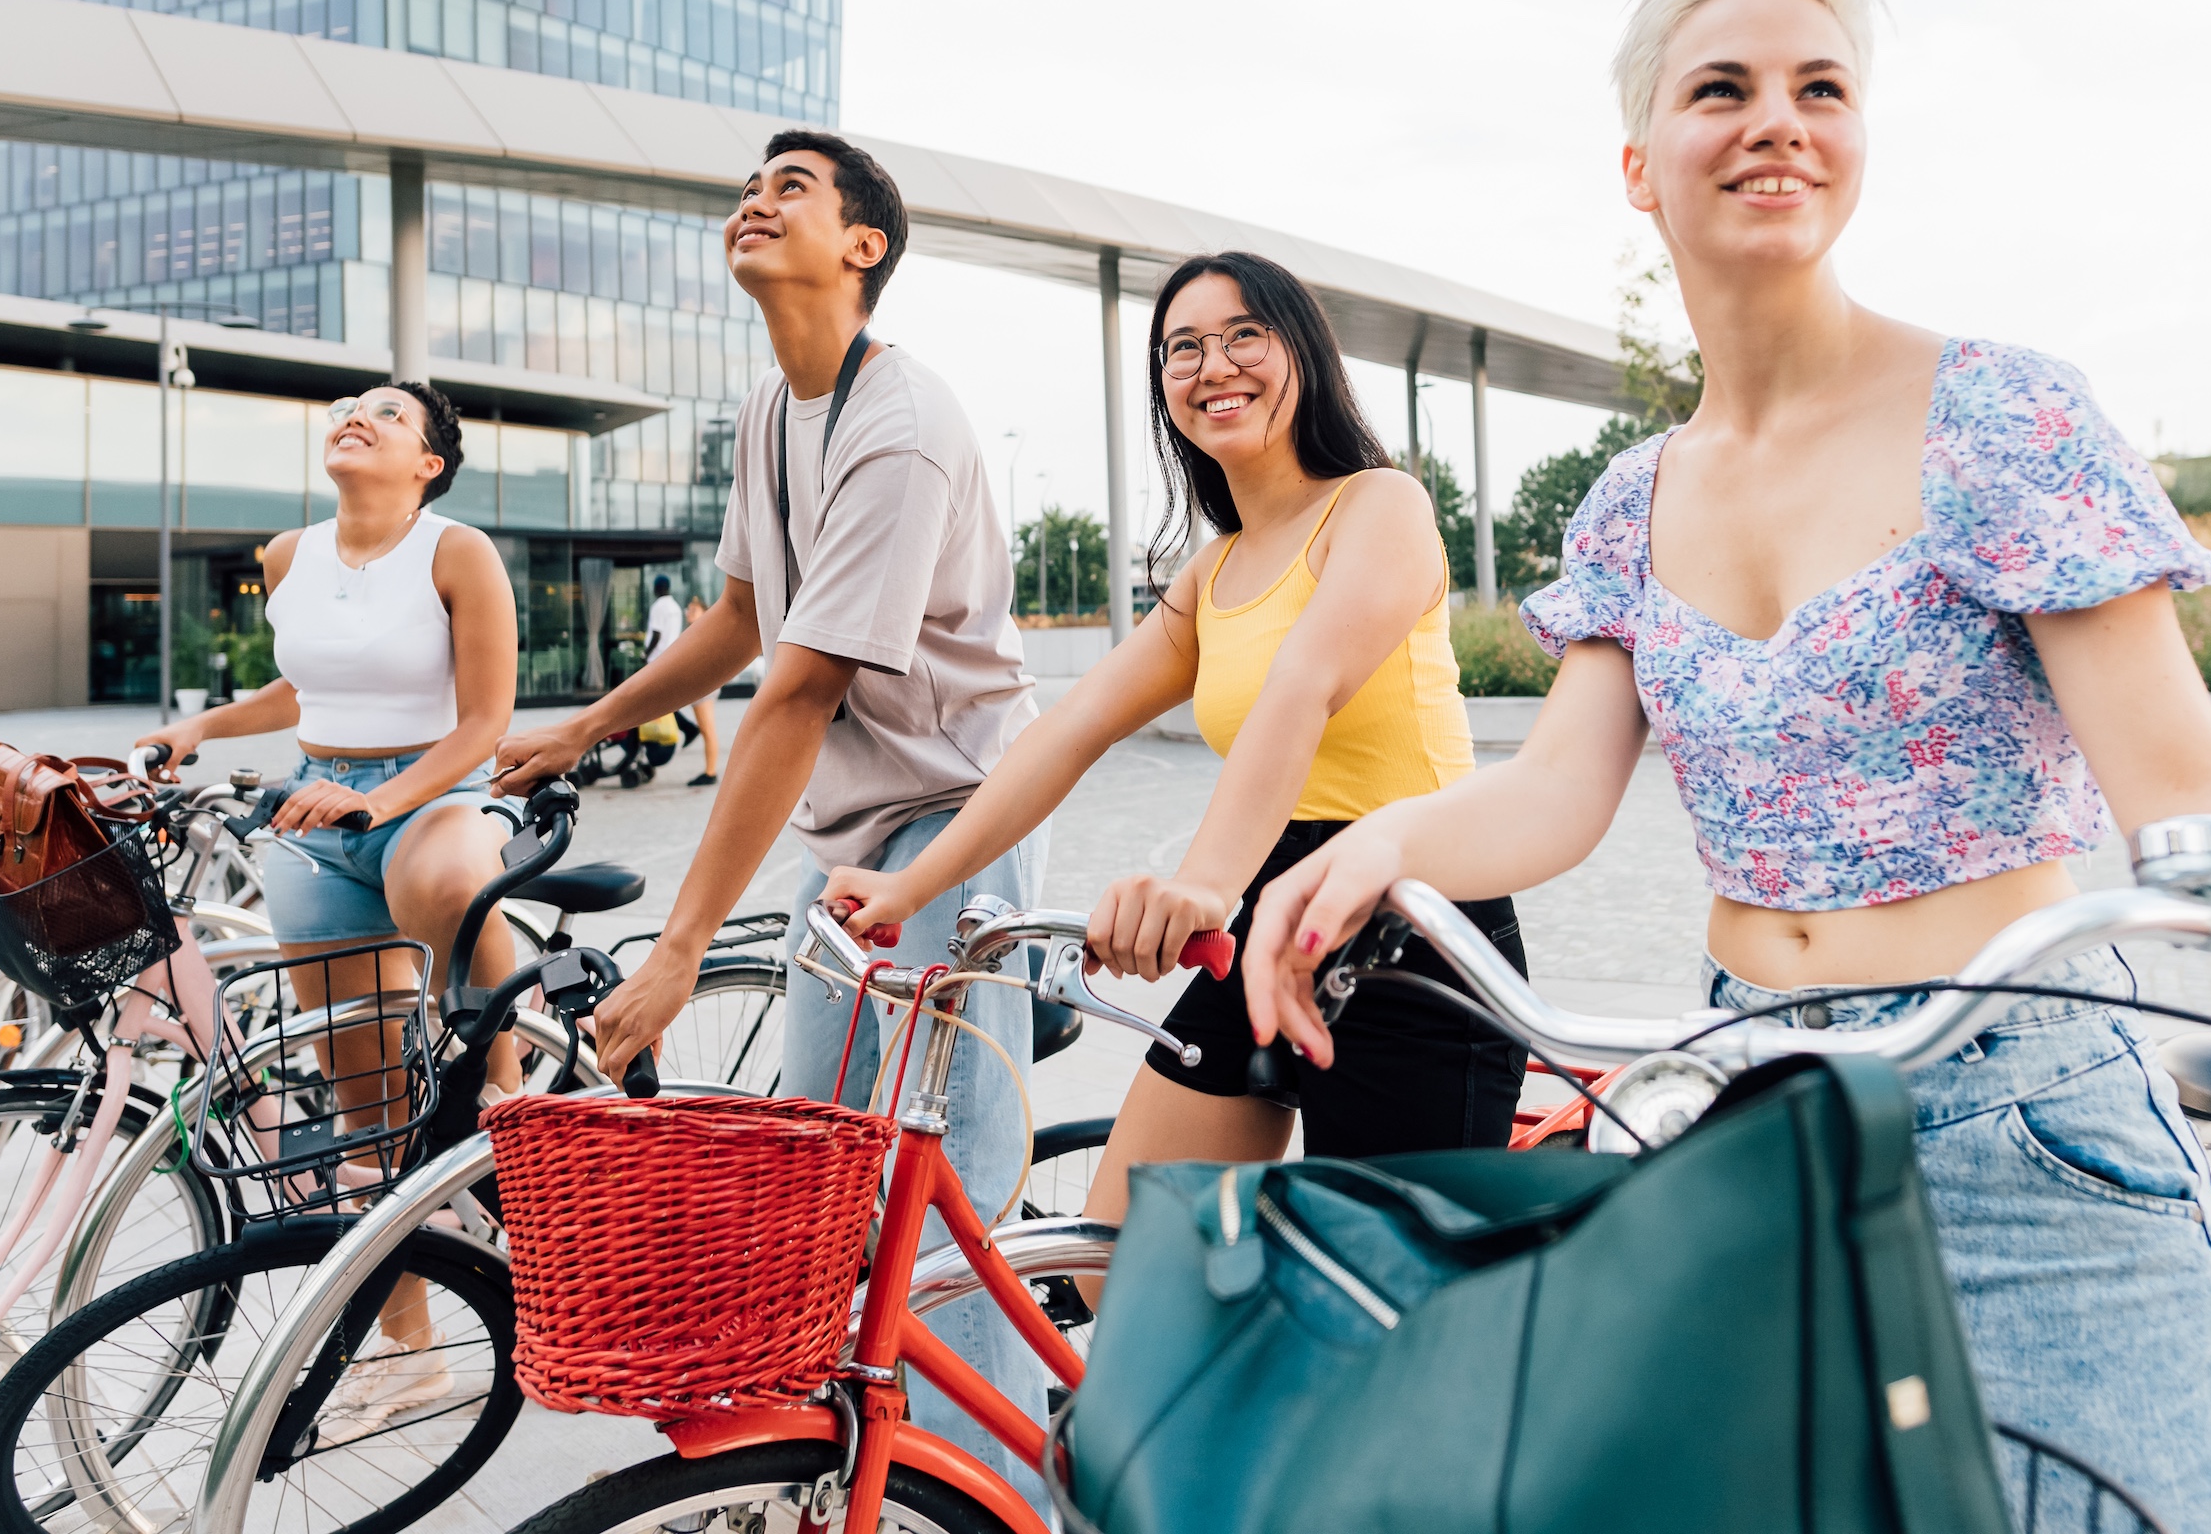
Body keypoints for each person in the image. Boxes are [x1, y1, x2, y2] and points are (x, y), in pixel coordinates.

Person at [1242, 0, 2211, 1534]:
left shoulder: (2001, 415)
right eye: (1722, 88)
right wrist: (1376, 844)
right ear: (1642, 166)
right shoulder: (1633, 500)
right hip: (1757, 1120)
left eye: (1821, 88)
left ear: (1858, 143)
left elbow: (2187, 789)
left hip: (2029, 1132)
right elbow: (1555, 797)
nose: (1777, 119)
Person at [489, 130, 1047, 1492]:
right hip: (859, 831)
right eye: (748, 181)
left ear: (864, 245)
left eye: (791, 186)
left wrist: (678, 950)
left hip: (958, 820)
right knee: (819, 1160)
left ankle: (994, 1497)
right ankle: (853, 1470)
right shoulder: (770, 404)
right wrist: (588, 723)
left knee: (940, 1194)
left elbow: (793, 698)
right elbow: (744, 615)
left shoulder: (899, 429)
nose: (753, 197)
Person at [822, 251, 1527, 1265]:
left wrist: (1200, 881)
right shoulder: (1216, 572)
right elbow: (1066, 730)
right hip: (1271, 914)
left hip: (1417, 923)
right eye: (1181, 348)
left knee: (1399, 1304)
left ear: (1305, 354)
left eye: (1244, 333)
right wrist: (908, 884)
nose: (1213, 364)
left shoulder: (1380, 506)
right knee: (1125, 1259)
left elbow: (1303, 685)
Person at [141, 377, 519, 1420]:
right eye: (348, 403)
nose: (357, 413)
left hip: (431, 788)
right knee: (363, 1101)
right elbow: (303, 687)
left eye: (388, 413)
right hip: (316, 802)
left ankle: (513, 1093)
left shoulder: (456, 551)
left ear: (427, 461)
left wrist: (380, 801)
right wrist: (203, 726)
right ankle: (408, 1351)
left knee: (443, 879)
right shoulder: (287, 553)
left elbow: (488, 718)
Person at [677, 586, 726, 784]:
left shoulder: (705, 632)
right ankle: (710, 771)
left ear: (704, 614)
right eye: (688, 609)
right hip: (701, 687)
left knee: (707, 729)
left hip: (705, 688)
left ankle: (710, 772)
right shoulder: (696, 632)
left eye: (694, 610)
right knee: (706, 729)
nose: (689, 612)